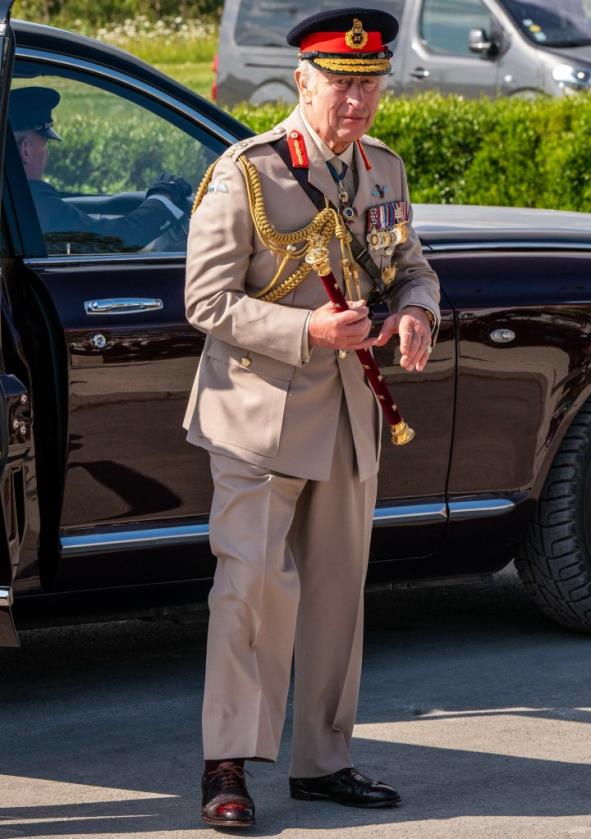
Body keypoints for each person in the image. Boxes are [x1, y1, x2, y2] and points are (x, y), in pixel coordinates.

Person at [184, 7, 441, 829]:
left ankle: (323, 761)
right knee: (250, 590)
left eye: (370, 86)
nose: (357, 102)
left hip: (351, 416)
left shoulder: (384, 169)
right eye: (341, 84)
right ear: (303, 80)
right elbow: (205, 300)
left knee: (338, 595)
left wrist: (418, 314)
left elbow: (411, 267)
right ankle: (226, 763)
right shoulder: (248, 172)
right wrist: (307, 330)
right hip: (257, 416)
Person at [9, 86, 191, 252]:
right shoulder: (27, 201)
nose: (46, 155)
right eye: (44, 146)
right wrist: (163, 198)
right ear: (26, 149)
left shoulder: (12, 199)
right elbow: (114, 240)